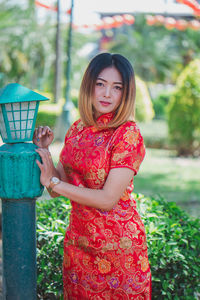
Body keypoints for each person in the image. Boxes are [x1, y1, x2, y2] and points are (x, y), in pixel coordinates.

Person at [33, 52, 151, 299]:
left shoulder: (127, 134)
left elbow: (108, 199)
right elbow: (56, 190)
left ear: (126, 93)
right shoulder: (77, 129)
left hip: (119, 252)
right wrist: (44, 151)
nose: (107, 94)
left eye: (116, 87)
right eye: (101, 84)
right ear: (89, 85)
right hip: (79, 247)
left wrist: (52, 182)